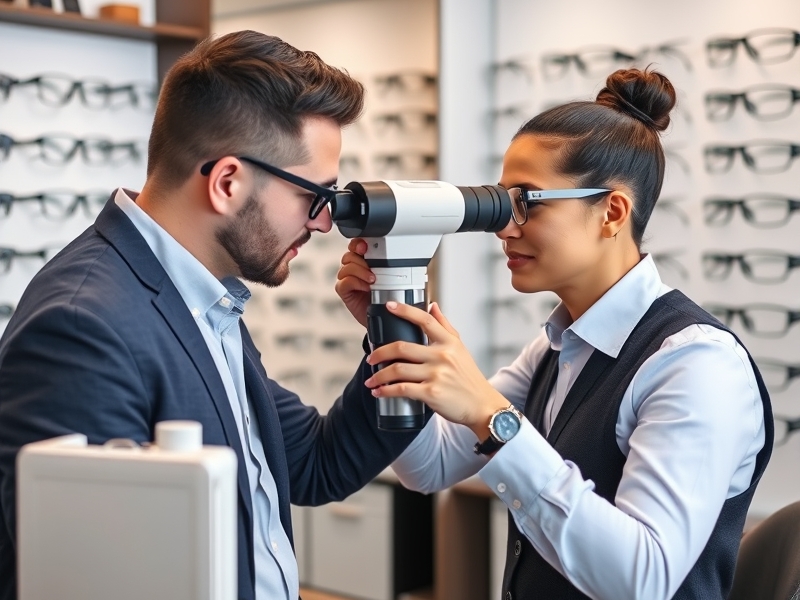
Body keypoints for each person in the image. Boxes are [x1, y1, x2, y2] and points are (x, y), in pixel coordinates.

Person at [0, 31, 423, 600]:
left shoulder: (201, 301)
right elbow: (93, 581)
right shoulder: (84, 328)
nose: (324, 223)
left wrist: (393, 325)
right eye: (313, 197)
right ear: (227, 182)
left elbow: (317, 463)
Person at [335, 68, 773, 599]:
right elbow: (427, 467)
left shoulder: (696, 364)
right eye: (501, 202)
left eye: (527, 202)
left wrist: (490, 415)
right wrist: (390, 327)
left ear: (611, 212)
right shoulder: (555, 347)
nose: (504, 227)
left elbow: (643, 578)